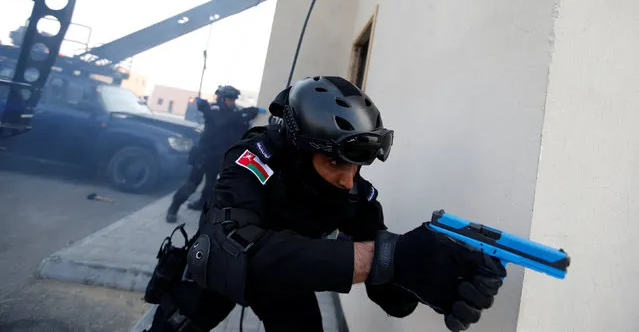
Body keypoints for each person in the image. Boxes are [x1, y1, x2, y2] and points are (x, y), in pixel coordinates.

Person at [150, 76, 506, 332]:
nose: (348, 180)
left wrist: (425, 274)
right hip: (213, 277)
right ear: (299, 151)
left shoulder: (353, 192)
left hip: (287, 281)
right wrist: (385, 258)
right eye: (335, 162)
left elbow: (390, 293)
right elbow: (228, 253)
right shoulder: (252, 160)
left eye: (357, 166)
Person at [166, 85, 259, 223]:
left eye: (234, 99)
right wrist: (241, 114)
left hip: (219, 156)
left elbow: (239, 129)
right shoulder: (214, 109)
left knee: (211, 185)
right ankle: (173, 209)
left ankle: (200, 204)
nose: (232, 102)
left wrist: (249, 116)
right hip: (205, 154)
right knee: (192, 184)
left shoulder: (233, 112)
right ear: (221, 99)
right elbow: (220, 122)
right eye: (229, 99)